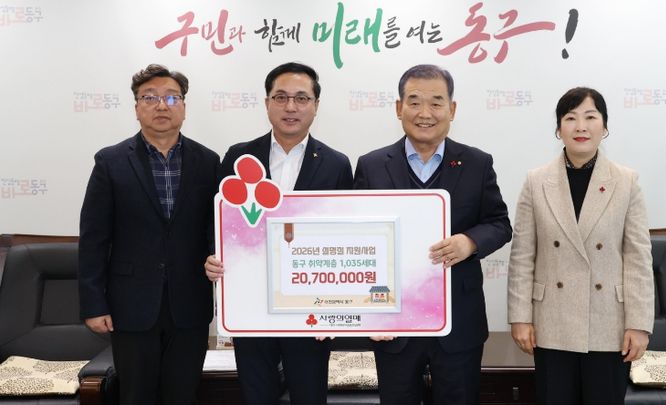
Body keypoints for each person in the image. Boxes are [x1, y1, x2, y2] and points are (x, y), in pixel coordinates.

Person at [354, 64, 512, 405]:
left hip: (459, 320)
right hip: (393, 322)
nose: (425, 113)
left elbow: (500, 224)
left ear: (452, 109)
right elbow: (357, 239)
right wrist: (368, 313)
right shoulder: (371, 165)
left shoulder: (477, 163)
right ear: (399, 108)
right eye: (414, 102)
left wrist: (469, 242)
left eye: (436, 102)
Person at [204, 62, 353, 405]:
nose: (290, 107)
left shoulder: (336, 164)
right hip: (251, 300)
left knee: (309, 394)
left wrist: (338, 303)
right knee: (257, 394)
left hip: (310, 304)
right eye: (281, 97)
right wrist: (213, 255)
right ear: (267, 102)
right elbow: (218, 220)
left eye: (301, 98)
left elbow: (345, 234)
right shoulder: (239, 156)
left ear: (316, 105)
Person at [78, 64, 220, 405]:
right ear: (136, 107)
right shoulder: (110, 162)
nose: (161, 105)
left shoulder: (209, 161)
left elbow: (214, 228)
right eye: (150, 97)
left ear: (184, 106)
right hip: (131, 304)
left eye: (172, 97)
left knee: (183, 394)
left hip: (190, 303)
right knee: (136, 395)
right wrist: (94, 304)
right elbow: (94, 238)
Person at [507, 87, 654, 405]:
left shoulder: (626, 182)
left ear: (605, 126)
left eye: (590, 117)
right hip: (551, 322)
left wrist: (639, 324)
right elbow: (522, 256)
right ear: (558, 129)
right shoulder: (536, 181)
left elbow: (638, 258)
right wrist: (520, 317)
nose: (581, 127)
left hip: (609, 323)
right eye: (571, 118)